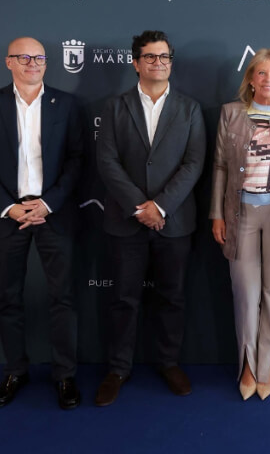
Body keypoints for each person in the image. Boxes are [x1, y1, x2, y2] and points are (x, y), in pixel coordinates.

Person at [0, 36, 83, 409]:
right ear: (8, 62)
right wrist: (9, 207)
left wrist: (48, 204)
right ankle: (15, 371)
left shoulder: (67, 104)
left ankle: (65, 375)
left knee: (63, 298)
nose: (33, 63)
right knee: (9, 298)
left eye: (39, 57)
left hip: (54, 213)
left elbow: (77, 160)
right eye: (24, 57)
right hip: (9, 216)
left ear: (46, 63)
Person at [94, 30, 206, 406]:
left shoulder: (190, 109)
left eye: (165, 57)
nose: (159, 63)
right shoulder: (115, 107)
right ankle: (118, 368)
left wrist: (161, 207)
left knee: (172, 298)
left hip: (174, 222)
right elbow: (107, 161)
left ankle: (168, 363)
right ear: (136, 63)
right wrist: (140, 207)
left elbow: (194, 163)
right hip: (125, 221)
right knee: (123, 299)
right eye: (151, 57)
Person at [209, 48, 270, 401]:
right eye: (262, 73)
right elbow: (220, 166)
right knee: (246, 293)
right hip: (240, 216)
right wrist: (217, 214)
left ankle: (266, 363)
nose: (269, 79)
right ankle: (248, 365)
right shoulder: (231, 114)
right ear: (251, 79)